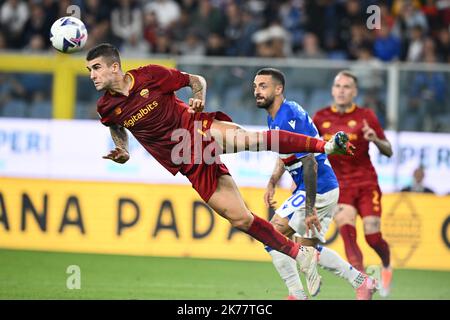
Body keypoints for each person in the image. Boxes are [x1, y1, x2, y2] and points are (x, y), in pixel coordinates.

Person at [85, 43, 354, 281]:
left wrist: (199, 97)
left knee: (254, 140)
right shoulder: (105, 107)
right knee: (240, 219)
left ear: (115, 67)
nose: (92, 75)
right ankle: (300, 254)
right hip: (186, 159)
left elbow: (196, 80)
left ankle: (326, 145)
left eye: (96, 68)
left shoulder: (151, 75)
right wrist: (122, 148)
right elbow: (116, 126)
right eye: (89, 70)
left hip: (195, 127)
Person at [254, 68, 377, 300]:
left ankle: (297, 294)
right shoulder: (278, 114)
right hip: (315, 186)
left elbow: (310, 162)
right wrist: (272, 180)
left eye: (263, 86)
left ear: (278, 89)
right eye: (255, 87)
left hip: (318, 186)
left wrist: (310, 209)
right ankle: (362, 281)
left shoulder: (287, 118)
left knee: (272, 234)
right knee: (307, 251)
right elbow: (287, 153)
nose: (257, 91)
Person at [313, 70, 393, 297]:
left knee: (372, 237)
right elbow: (308, 149)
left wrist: (375, 139)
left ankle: (386, 265)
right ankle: (363, 283)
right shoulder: (319, 118)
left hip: (366, 183)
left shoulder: (366, 116)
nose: (341, 90)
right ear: (332, 89)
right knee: (348, 232)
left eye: (347, 87)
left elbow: (389, 151)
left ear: (355, 92)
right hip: (339, 185)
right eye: (338, 86)